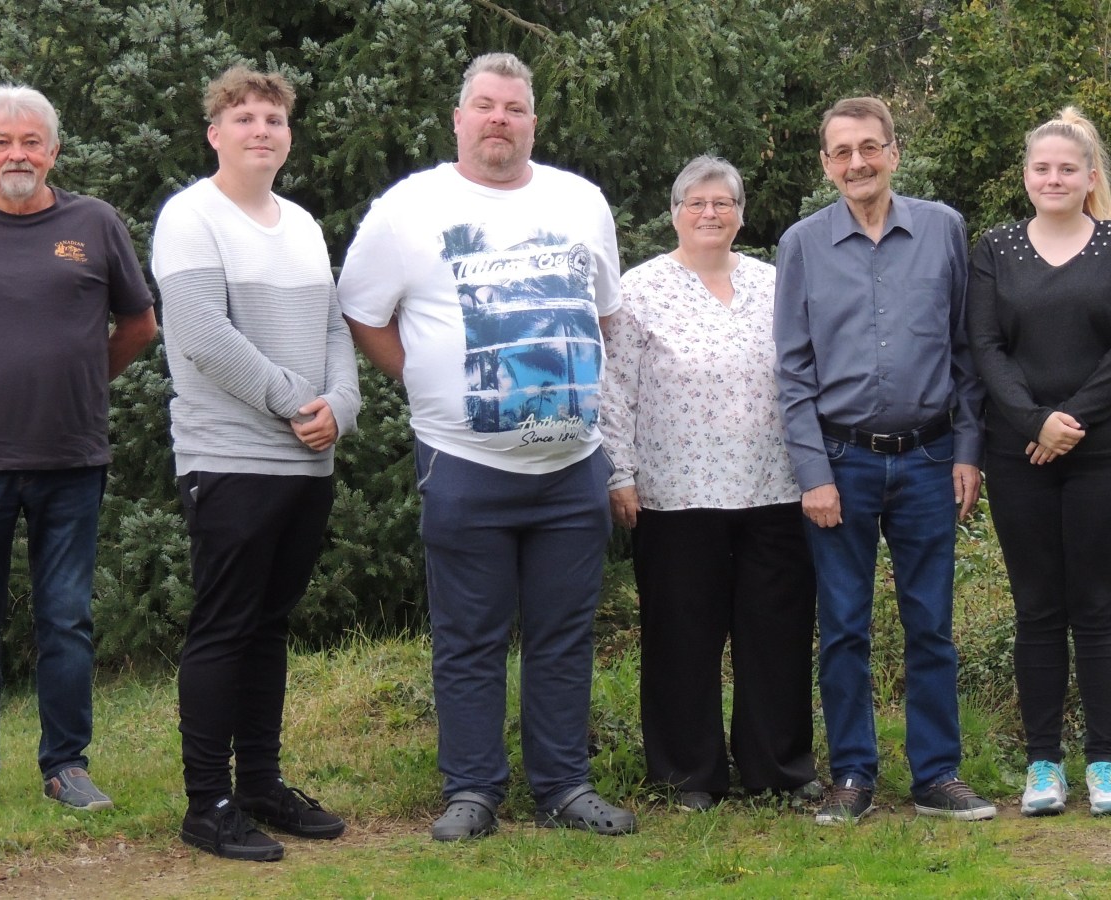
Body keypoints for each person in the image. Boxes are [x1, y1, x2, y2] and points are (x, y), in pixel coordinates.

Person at [337, 52, 635, 841]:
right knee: (467, 638)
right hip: (463, 466)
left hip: (572, 468)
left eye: (514, 107)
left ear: (533, 121)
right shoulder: (409, 207)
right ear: (459, 119)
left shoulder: (581, 201)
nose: (499, 119)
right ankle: (471, 791)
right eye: (485, 106)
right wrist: (432, 389)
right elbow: (362, 313)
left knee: (563, 637)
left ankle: (564, 786)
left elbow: (605, 314)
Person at [0, 85, 157, 815]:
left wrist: (82, 380)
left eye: (31, 141)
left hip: (71, 458)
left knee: (66, 619)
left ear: (53, 149)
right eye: (1, 142)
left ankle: (66, 766)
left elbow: (138, 324)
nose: (17, 153)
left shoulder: (95, 223)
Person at [152, 65, 360, 862]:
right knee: (225, 627)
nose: (260, 130)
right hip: (231, 457)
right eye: (243, 118)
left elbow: (336, 326)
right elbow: (202, 332)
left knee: (269, 628)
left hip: (307, 461)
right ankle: (208, 802)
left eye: (273, 119)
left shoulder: (303, 224)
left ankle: (262, 783)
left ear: (288, 135)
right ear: (216, 134)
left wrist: (340, 406)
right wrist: (292, 402)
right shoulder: (191, 217)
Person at [773, 96, 995, 824]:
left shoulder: (943, 230)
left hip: (932, 459)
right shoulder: (802, 245)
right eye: (842, 152)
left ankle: (937, 775)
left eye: (870, 147)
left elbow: (966, 351)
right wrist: (814, 474)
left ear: (895, 152)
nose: (857, 163)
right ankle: (854, 776)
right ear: (826, 164)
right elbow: (794, 372)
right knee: (843, 626)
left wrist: (968, 450)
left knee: (931, 622)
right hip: (843, 463)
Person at [601, 156, 819, 809]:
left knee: (776, 634)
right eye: (696, 202)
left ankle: (776, 767)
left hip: (775, 486)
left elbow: (805, 377)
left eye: (723, 202)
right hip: (675, 492)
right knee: (680, 636)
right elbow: (613, 386)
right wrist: (620, 471)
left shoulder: (775, 284)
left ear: (741, 214)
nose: (709, 213)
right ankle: (686, 774)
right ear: (675, 213)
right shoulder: (639, 290)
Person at [966, 107, 1111, 818]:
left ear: (1090, 176)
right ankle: (1044, 766)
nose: (1054, 178)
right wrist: (1033, 422)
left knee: (1099, 608)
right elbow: (986, 347)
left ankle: (1105, 765)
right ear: (1026, 176)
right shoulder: (995, 248)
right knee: (1038, 610)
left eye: (1067, 167)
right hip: (1017, 453)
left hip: (1101, 451)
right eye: (1041, 167)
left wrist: (1070, 422)